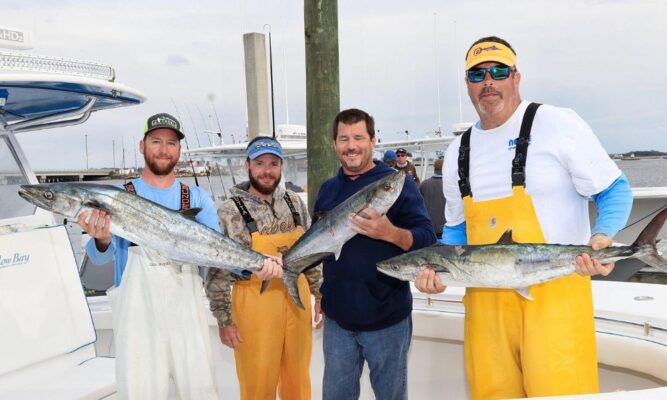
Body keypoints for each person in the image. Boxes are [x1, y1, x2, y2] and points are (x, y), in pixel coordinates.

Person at [415, 36, 633, 399]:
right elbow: (456, 231)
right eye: (477, 74)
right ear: (467, 84)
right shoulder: (458, 151)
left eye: (498, 71)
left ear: (516, 78)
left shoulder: (555, 122)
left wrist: (603, 236)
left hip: (556, 299)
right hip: (485, 309)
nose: (488, 81)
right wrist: (433, 271)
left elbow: (614, 190)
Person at [78, 113, 283, 399]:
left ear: (179, 150)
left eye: (171, 143)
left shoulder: (196, 199)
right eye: (156, 141)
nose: (164, 149)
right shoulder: (117, 196)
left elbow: (217, 255)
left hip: (186, 315)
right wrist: (101, 238)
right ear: (142, 146)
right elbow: (99, 262)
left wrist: (253, 266)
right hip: (138, 320)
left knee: (200, 392)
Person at [315, 108, 436, 400]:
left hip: (387, 320)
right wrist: (321, 292)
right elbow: (320, 248)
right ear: (334, 144)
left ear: (372, 140)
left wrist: (390, 233)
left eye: (358, 137)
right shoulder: (328, 189)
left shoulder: (396, 184)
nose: (351, 145)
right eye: (344, 139)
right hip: (337, 321)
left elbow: (427, 239)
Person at [205, 136, 323, 400]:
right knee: (257, 384)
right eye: (260, 163)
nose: (267, 171)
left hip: (298, 300)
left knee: (299, 380)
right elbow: (217, 271)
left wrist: (320, 295)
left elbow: (311, 254)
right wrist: (224, 320)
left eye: (273, 163)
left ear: (281, 167)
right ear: (247, 166)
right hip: (253, 303)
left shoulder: (294, 202)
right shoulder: (228, 211)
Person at [419, 158, 446, 239]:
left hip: (429, 227)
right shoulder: (450, 185)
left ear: (434, 168)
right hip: (446, 228)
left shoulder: (424, 184)